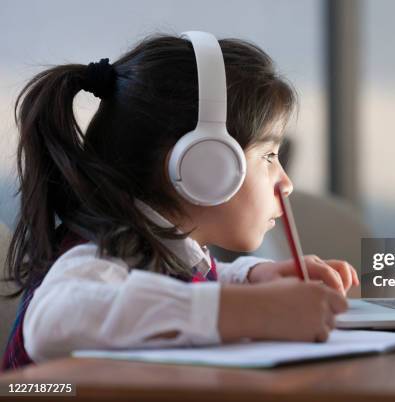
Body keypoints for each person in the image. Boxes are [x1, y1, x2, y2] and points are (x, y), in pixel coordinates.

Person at [2, 33, 358, 370]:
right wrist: (253, 310)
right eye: (268, 156)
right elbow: (53, 320)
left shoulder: (153, 246)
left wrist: (252, 278)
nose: (287, 182)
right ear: (205, 165)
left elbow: (169, 284)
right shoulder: (104, 249)